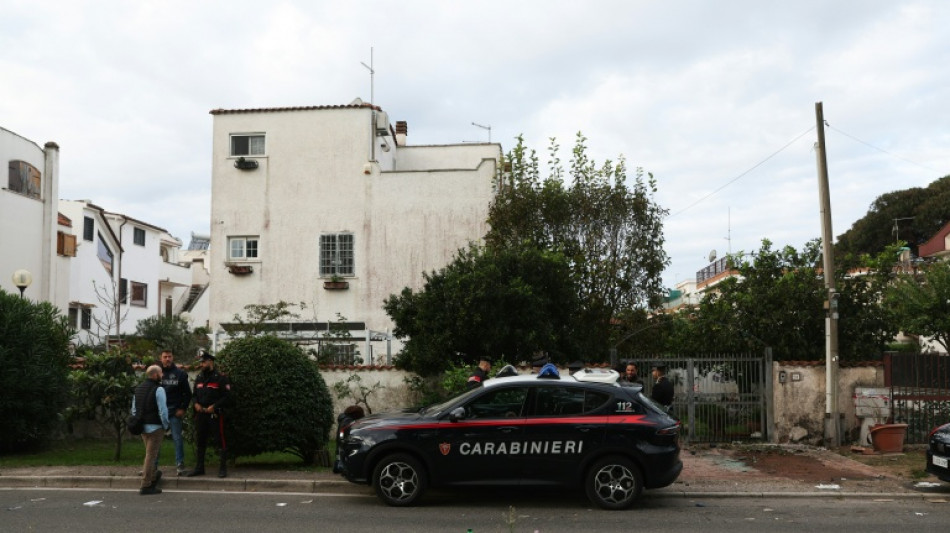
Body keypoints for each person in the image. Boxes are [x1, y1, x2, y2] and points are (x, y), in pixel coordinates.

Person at [187, 351, 232, 478]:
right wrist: (195, 404)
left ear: (210, 362)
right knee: (200, 440)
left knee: (220, 440)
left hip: (215, 415)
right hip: (201, 414)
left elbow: (227, 397)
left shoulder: (221, 377)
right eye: (201, 362)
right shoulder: (200, 377)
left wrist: (215, 406)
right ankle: (199, 468)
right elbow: (194, 394)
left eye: (203, 362)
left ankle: (222, 469)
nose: (201, 364)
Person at [132, 365, 169, 495]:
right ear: (154, 375)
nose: (162, 375)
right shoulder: (159, 389)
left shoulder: (139, 388)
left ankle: (153, 476)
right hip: (155, 427)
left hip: (143, 427)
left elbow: (134, 409)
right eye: (161, 373)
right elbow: (163, 411)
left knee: (149, 453)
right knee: (151, 455)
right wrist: (165, 425)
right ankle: (146, 485)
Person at [159, 349, 192, 476]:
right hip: (159, 412)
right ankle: (152, 465)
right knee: (156, 440)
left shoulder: (180, 374)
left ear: (173, 358)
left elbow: (187, 394)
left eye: (169, 356)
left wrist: (182, 408)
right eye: (165, 357)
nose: (167, 359)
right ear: (161, 358)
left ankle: (180, 464)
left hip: (174, 411)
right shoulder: (157, 373)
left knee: (177, 438)